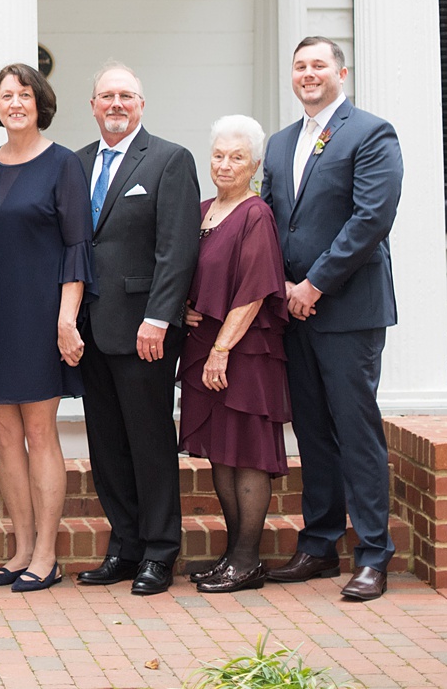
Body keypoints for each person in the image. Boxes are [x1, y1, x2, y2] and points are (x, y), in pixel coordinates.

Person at [261, 37, 403, 602]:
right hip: (291, 311)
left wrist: (315, 284)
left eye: (319, 65)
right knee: (314, 431)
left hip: (347, 309)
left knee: (355, 429)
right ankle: (319, 544)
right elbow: (268, 224)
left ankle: (372, 554)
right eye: (299, 66)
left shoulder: (371, 133)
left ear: (342, 71)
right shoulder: (278, 144)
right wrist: (278, 291)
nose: (308, 74)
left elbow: (372, 219)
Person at [0, 63, 90, 594]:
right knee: (5, 437)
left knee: (39, 433)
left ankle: (47, 555)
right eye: (7, 95)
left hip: (40, 315)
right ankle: (18, 550)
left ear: (41, 104)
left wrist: (66, 319)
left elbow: (78, 247)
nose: (15, 103)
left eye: (24, 95)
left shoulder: (63, 165)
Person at [74, 62, 199, 597]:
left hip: (143, 328)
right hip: (88, 330)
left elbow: (177, 248)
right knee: (106, 445)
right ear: (94, 105)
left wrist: (159, 317)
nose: (117, 104)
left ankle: (159, 551)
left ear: (141, 105)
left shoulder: (170, 160)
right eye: (107, 96)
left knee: (149, 442)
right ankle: (124, 546)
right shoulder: (76, 164)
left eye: (127, 96)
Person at [179, 115, 291, 594]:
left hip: (243, 350)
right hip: (205, 346)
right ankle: (232, 555)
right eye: (219, 156)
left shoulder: (255, 214)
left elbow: (254, 290)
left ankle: (248, 560)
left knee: (247, 454)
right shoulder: (203, 209)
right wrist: (183, 305)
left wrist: (223, 349)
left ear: (256, 165)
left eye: (237, 157)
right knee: (221, 455)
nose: (225, 165)